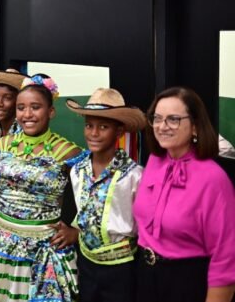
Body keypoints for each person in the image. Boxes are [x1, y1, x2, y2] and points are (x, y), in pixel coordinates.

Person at [0, 74, 83, 302]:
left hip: (41, 249)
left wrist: (76, 231)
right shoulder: (3, 144)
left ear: (51, 111)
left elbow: (90, 195)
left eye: (35, 107)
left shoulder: (67, 151)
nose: (27, 114)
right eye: (21, 108)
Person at [133, 87, 235, 302]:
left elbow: (226, 256)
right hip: (145, 276)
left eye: (173, 119)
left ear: (195, 126)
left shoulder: (213, 179)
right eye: (157, 118)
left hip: (186, 282)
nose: (162, 126)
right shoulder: (154, 161)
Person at [62, 88, 146, 302]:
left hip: (122, 269)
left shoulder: (134, 176)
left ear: (119, 132)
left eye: (103, 127)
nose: (94, 133)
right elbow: (82, 213)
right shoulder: (78, 171)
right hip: (86, 263)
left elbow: (143, 225)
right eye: (89, 125)